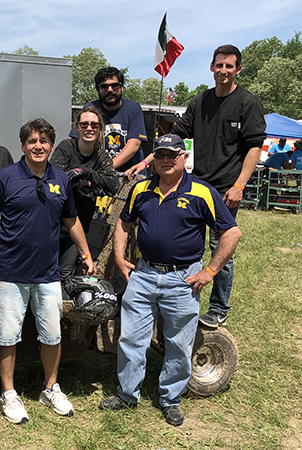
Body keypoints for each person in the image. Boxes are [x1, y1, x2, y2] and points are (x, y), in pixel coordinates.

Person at [99, 134, 241, 427]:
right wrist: (120, 257)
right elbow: (124, 222)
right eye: (160, 154)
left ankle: (171, 399)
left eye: (171, 155)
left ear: (183, 158)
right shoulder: (142, 188)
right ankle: (127, 394)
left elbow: (232, 233)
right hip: (145, 274)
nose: (165, 160)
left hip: (182, 279)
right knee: (130, 338)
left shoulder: (202, 192)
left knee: (178, 343)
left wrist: (210, 271)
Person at [128, 44, 266, 328]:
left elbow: (254, 149)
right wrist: (144, 164)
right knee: (182, 245)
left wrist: (240, 185)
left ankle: (218, 308)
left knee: (220, 248)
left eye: (229, 66)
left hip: (226, 188)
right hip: (195, 186)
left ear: (238, 69)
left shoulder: (247, 103)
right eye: (219, 65)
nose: (223, 71)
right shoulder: (200, 102)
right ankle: (173, 300)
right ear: (212, 67)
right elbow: (174, 140)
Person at [0, 118, 95, 424]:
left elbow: (71, 220)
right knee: (6, 335)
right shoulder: (6, 178)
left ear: (52, 146)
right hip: (11, 273)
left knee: (53, 334)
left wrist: (85, 252)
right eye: (32, 141)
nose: (38, 146)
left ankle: (50, 387)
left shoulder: (61, 179)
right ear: (23, 146)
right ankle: (8, 393)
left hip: (48, 274)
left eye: (43, 141)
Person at [51, 106, 119, 280]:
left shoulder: (101, 156)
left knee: (65, 272)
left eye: (94, 125)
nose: (89, 128)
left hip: (80, 225)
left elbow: (113, 184)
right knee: (45, 270)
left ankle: (64, 307)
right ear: (77, 127)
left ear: (100, 129)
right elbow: (56, 180)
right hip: (53, 222)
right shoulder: (67, 147)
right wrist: (90, 184)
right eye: (85, 124)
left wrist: (85, 173)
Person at [69, 67, 147, 172]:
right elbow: (76, 142)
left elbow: (134, 145)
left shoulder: (133, 108)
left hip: (129, 174)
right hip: (97, 175)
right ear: (98, 90)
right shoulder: (90, 108)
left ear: (122, 88)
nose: (110, 90)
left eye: (114, 86)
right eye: (104, 87)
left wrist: (106, 168)